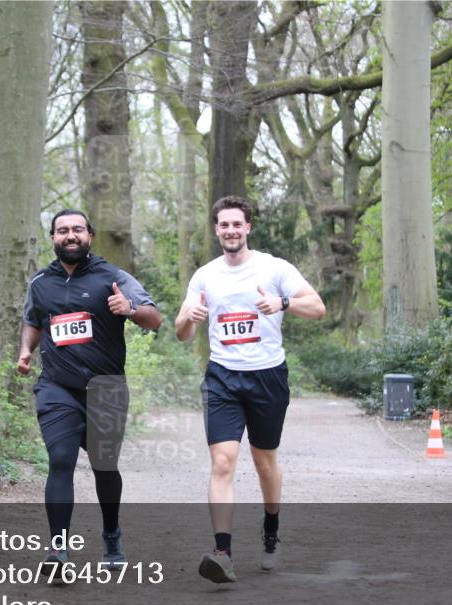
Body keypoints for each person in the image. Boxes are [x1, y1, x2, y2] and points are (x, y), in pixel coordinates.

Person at [175, 195, 325, 583]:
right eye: (224, 225)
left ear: (248, 227)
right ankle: (222, 552)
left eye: (236, 224)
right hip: (223, 377)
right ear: (216, 230)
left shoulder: (274, 268)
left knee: (264, 462)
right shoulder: (205, 275)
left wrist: (283, 302)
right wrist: (190, 319)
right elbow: (181, 332)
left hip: (267, 377)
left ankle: (271, 527)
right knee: (223, 461)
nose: (230, 231)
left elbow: (317, 307)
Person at [18, 209, 161, 570]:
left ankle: (111, 533)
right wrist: (25, 351)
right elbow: (33, 320)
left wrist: (129, 308)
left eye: (77, 229)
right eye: (63, 230)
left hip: (106, 389)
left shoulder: (114, 277)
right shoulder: (40, 282)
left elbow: (154, 318)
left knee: (104, 467)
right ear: (53, 237)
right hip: (57, 387)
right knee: (60, 461)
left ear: (90, 236)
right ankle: (59, 551)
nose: (70, 235)